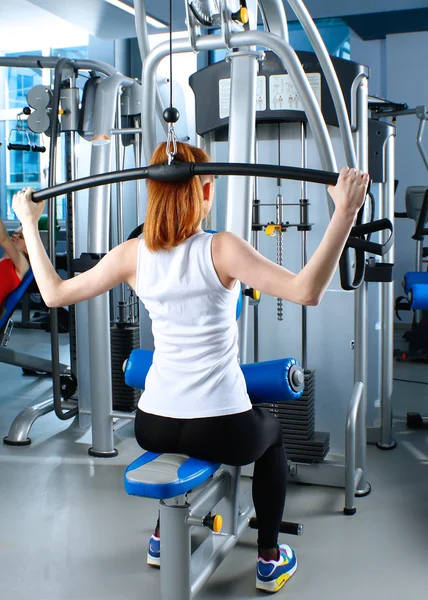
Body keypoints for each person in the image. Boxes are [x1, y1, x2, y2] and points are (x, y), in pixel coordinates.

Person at [13, 142, 369, 594]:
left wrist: (28, 221)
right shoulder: (221, 249)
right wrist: (344, 213)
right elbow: (306, 291)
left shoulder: (131, 255)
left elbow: (54, 295)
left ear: (153, 193)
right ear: (203, 192)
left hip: (153, 423)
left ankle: (162, 538)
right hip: (221, 427)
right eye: (212, 187)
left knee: (203, 437)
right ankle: (269, 559)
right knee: (271, 433)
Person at [0, 215, 30, 318]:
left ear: (27, 249)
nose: (15, 236)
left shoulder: (23, 264)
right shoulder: (3, 261)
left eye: (21, 236)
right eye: (15, 233)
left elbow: (3, 239)